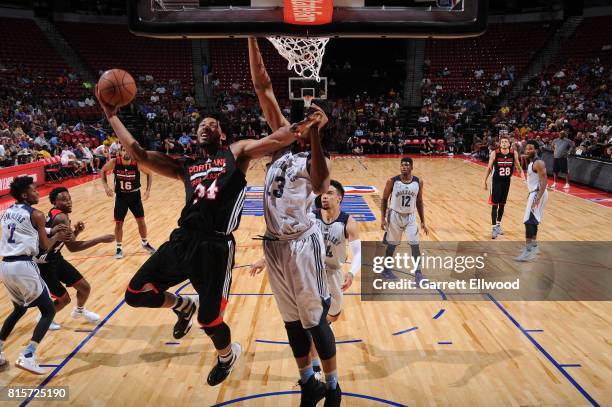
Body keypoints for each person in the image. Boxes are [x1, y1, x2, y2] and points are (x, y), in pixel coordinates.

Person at [96, 79, 316, 386]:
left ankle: (227, 355)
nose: (205, 126)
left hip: (215, 246)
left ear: (223, 134)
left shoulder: (236, 153)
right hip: (182, 239)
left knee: (210, 320)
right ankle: (183, 306)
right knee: (136, 293)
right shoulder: (185, 166)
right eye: (202, 124)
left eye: (212, 124)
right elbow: (141, 155)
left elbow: (279, 137)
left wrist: (306, 124)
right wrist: (112, 116)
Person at [248, 37, 341, 406]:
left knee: (315, 319)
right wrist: (251, 35)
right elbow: (262, 85)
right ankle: (309, 383)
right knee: (291, 321)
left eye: (307, 123)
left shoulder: (314, 159)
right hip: (273, 244)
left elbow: (320, 185)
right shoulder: (281, 146)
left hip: (303, 243)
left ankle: (333, 386)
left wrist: (316, 135)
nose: (297, 125)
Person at [249, 179, 362, 382]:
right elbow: (289, 241)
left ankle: (318, 340)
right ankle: (316, 367)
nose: (324, 196)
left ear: (340, 198)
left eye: (330, 193)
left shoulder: (348, 222)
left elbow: (359, 253)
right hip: (310, 272)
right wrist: (265, 260)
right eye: (323, 193)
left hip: (334, 274)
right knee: (313, 324)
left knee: (332, 317)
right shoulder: (310, 217)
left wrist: (352, 273)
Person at [0, 177, 70, 374]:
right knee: (48, 310)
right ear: (24, 194)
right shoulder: (38, 214)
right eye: (34, 190)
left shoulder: (7, 212)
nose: (38, 192)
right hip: (24, 266)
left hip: (6, 266)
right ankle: (28, 355)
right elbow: (45, 247)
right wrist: (55, 236)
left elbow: (23, 227)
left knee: (19, 309)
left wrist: (49, 229)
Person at [37, 187, 114, 330]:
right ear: (55, 202)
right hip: (45, 264)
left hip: (55, 258)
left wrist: (76, 232)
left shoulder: (57, 213)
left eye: (69, 198)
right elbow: (73, 248)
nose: (68, 202)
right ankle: (43, 317)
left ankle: (79, 311)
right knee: (64, 299)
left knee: (84, 288)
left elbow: (66, 242)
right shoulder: (61, 217)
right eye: (63, 199)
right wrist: (100, 239)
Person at [100, 145, 156, 259]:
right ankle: (119, 248)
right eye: (124, 150)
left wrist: (148, 190)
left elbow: (150, 173)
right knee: (119, 223)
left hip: (135, 195)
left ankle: (145, 243)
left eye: (129, 150)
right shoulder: (115, 162)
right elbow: (103, 171)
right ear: (120, 152)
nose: (127, 152)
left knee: (141, 220)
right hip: (121, 196)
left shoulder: (137, 163)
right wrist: (106, 187)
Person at [380, 157, 428, 281]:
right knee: (392, 245)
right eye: (402, 165)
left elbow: (419, 201)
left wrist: (423, 221)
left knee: (415, 245)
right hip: (394, 216)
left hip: (410, 217)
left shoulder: (418, 182)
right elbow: (384, 199)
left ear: (412, 167)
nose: (404, 167)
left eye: (407, 165)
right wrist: (382, 218)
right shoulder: (392, 181)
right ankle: (386, 270)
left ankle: (418, 274)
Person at [483, 134, 524, 239]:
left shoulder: (513, 153)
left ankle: (498, 225)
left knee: (502, 204)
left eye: (506, 141)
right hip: (496, 182)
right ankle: (493, 228)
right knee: (495, 205)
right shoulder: (495, 153)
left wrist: (523, 176)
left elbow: (518, 166)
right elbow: (489, 167)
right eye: (502, 142)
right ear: (500, 144)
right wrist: (484, 181)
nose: (504, 143)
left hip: (507, 181)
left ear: (509, 143)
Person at [514, 140, 548, 262]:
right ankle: (533, 246)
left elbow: (544, 181)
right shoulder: (533, 161)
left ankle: (527, 252)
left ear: (537, 150)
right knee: (534, 220)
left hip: (538, 193)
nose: (527, 150)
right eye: (526, 148)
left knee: (528, 221)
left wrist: (537, 198)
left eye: (530, 148)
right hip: (536, 193)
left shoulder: (538, 162)